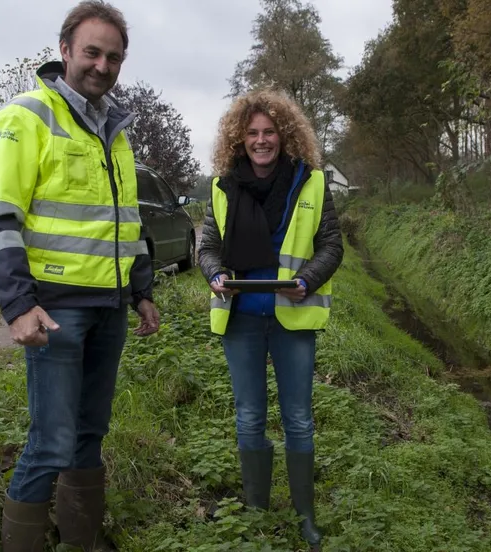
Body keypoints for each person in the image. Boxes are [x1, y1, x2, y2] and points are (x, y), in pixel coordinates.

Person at [0, 2, 159, 550]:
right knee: (50, 442)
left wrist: (141, 292)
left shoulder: (114, 131)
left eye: (113, 57)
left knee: (90, 434)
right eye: (92, 52)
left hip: (109, 308)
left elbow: (126, 221)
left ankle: (81, 541)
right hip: (55, 311)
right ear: (65, 51)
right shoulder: (24, 119)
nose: (102, 65)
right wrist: (17, 305)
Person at [197, 88, 344, 550]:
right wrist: (215, 274)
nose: (261, 140)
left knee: (298, 418)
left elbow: (331, 245)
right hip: (240, 319)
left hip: (293, 318)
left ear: (285, 135)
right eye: (252, 133)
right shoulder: (222, 187)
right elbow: (207, 247)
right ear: (239, 139)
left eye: (269, 132)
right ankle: (257, 513)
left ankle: (305, 517)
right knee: (249, 416)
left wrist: (307, 280)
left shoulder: (311, 182)